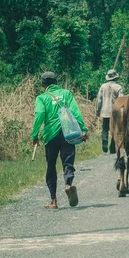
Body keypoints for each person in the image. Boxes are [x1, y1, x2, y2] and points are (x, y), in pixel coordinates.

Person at [31, 72, 88, 209]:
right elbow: (75, 111)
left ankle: (53, 201)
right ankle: (68, 185)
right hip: (68, 133)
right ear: (56, 81)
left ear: (43, 84)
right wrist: (83, 128)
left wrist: (34, 136)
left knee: (51, 166)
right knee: (68, 162)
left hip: (51, 136)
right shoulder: (66, 94)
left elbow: (39, 115)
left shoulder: (41, 98)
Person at [96, 69, 123, 153]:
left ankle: (104, 141)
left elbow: (99, 100)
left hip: (105, 111)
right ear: (115, 78)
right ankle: (112, 147)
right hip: (115, 112)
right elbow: (121, 100)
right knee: (114, 129)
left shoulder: (103, 86)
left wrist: (97, 111)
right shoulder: (118, 87)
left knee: (105, 128)